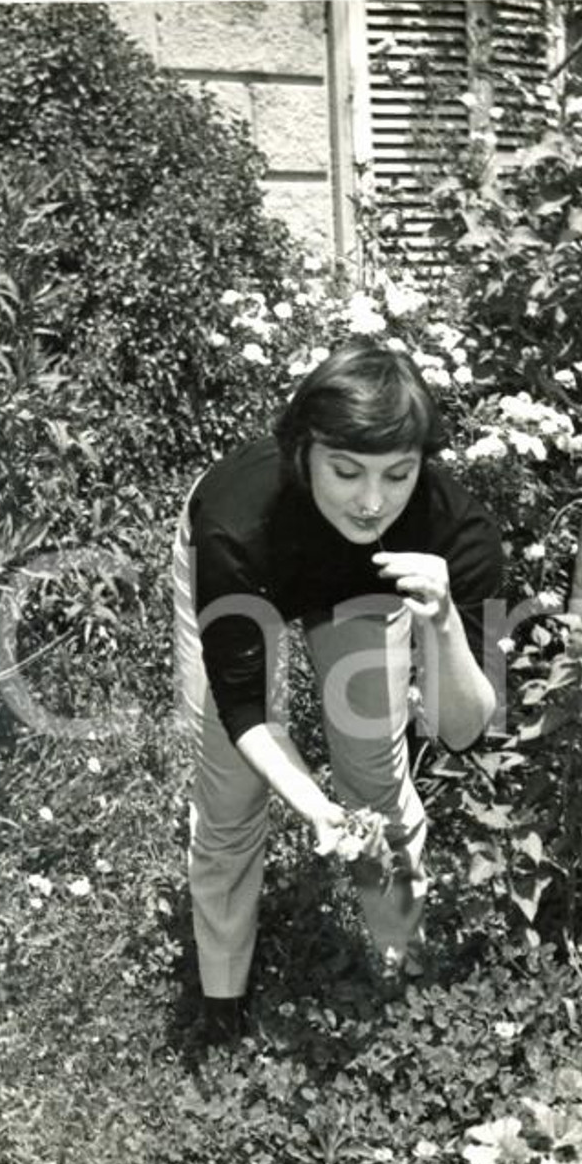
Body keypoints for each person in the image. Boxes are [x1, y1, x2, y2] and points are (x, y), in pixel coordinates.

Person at [172, 340, 503, 1046]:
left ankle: (404, 983)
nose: (373, 501)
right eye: (346, 471)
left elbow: (463, 730)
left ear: (423, 464)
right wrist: (317, 810)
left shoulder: (454, 532)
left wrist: (442, 624)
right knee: (232, 794)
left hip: (364, 590)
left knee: (376, 775)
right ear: (303, 453)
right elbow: (245, 711)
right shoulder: (235, 522)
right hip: (260, 566)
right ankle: (221, 1008)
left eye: (398, 473)